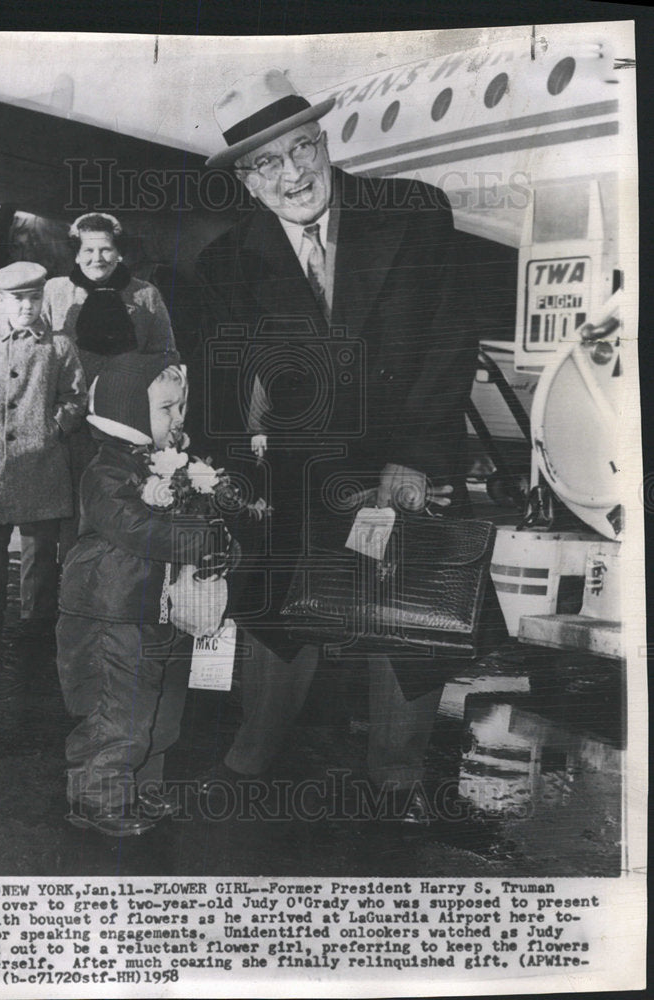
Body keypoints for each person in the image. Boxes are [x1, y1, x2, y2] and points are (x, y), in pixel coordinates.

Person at [193, 69, 483, 821]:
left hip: (411, 451)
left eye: (302, 149)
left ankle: (397, 778)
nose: (293, 174)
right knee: (278, 615)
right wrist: (231, 476)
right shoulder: (225, 261)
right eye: (269, 164)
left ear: (324, 142)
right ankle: (250, 757)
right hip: (304, 464)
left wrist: (414, 457)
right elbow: (227, 384)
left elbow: (450, 341)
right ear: (248, 183)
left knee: (410, 618)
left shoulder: (414, 212)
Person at [56, 351, 217, 837]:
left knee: (160, 708)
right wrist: (201, 537)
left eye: (181, 406)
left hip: (158, 609)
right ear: (128, 416)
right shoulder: (105, 472)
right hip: (112, 612)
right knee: (117, 708)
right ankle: (95, 797)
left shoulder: (170, 465)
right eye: (167, 408)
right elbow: (136, 528)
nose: (179, 417)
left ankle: (143, 787)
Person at [0, 261, 87, 636]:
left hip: (41, 461)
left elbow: (75, 397)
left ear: (43, 298)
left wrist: (53, 428)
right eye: (17, 300)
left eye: (33, 298)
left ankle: (36, 616)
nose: (26, 306)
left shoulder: (59, 346)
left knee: (39, 549)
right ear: (1, 300)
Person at [41, 212, 177, 557]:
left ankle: (111, 585)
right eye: (88, 250)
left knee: (118, 505)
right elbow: (37, 352)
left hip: (123, 423)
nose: (96, 258)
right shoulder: (55, 292)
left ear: (119, 253)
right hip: (70, 422)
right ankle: (69, 585)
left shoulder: (146, 295)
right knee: (69, 509)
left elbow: (167, 355)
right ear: (76, 253)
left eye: (105, 250)